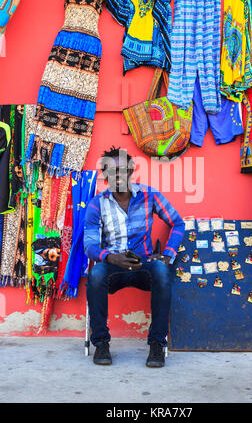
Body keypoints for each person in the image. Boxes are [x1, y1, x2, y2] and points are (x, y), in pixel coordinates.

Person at [84, 146, 185, 367]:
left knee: (161, 269)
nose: (117, 175)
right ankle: (101, 343)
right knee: (97, 272)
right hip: (114, 267)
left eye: (122, 169)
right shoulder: (96, 204)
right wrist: (111, 258)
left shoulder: (150, 195)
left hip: (144, 266)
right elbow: (90, 246)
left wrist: (168, 255)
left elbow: (177, 223)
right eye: (111, 170)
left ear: (131, 171)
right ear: (104, 174)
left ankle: (157, 344)